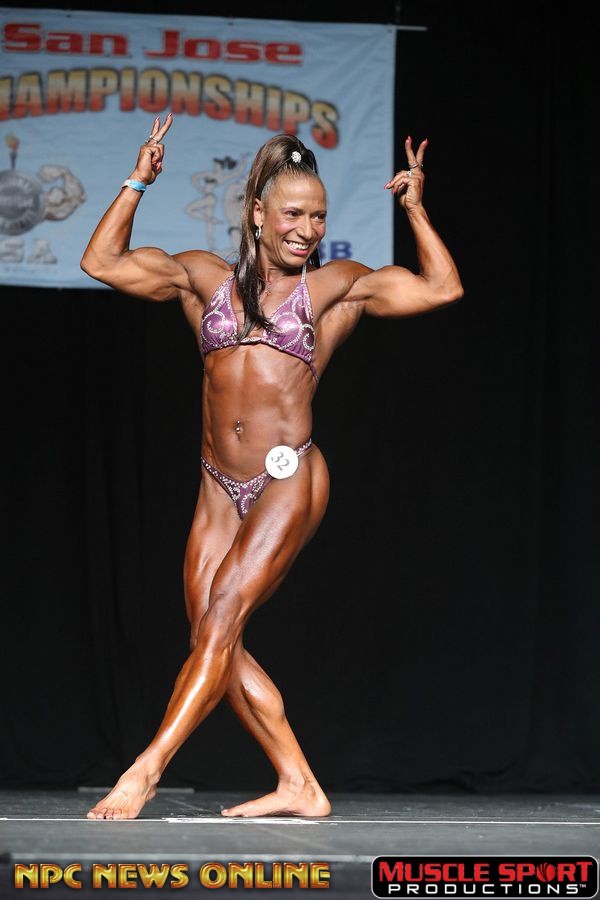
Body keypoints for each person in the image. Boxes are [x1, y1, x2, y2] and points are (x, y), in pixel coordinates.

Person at [80, 114, 463, 820]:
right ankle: (298, 782)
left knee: (223, 617)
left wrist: (414, 210)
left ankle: (145, 769)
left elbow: (441, 288)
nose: (307, 229)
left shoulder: (335, 288)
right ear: (258, 213)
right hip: (216, 485)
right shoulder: (203, 279)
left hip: (289, 476)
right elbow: (102, 262)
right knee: (213, 638)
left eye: (318, 217)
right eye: (293, 214)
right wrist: (138, 182)